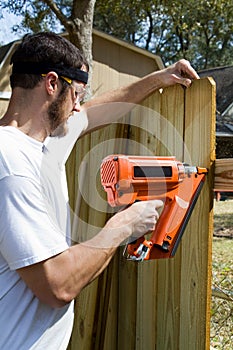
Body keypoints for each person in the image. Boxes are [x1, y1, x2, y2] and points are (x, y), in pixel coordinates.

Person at [0, 32, 199, 349]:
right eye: (76, 95)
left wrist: (160, 77)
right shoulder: (11, 166)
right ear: (52, 84)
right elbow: (58, 285)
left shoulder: (45, 143)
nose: (78, 107)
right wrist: (126, 225)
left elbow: (94, 112)